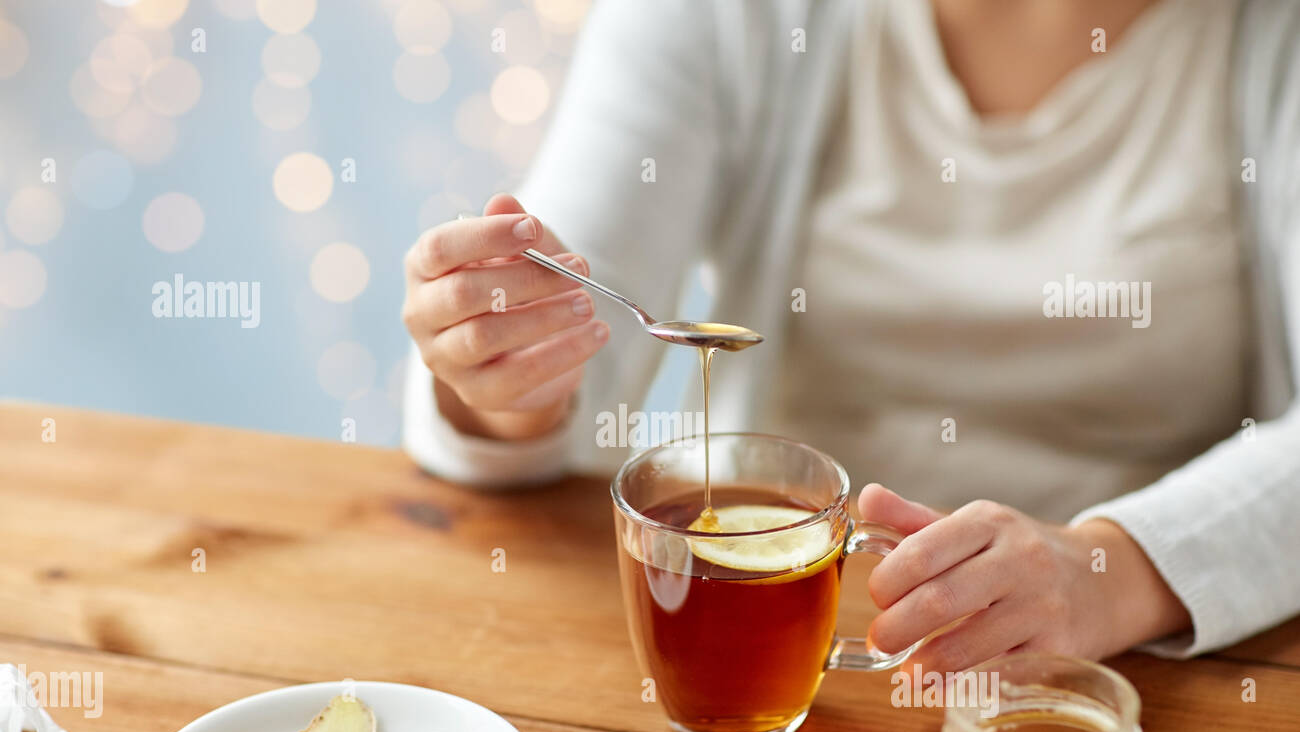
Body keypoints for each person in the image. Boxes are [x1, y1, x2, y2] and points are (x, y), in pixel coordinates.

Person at [400, 0, 1300, 672]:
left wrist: (1106, 569)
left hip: (1140, 681)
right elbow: (561, 373)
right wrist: (503, 367)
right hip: (778, 649)